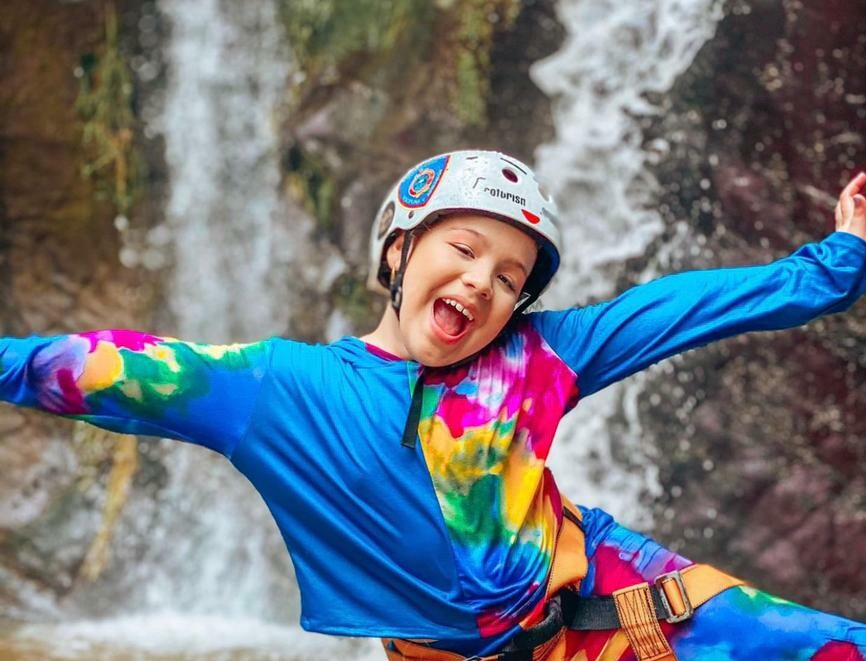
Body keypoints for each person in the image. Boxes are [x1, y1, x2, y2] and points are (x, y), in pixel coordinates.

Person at [1, 150, 865, 661]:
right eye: (463, 247)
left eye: (510, 278)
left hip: (623, 599)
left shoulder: (538, 354)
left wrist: (839, 260)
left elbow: (685, 307)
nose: (482, 282)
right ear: (398, 251)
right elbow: (104, 367)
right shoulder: (281, 390)